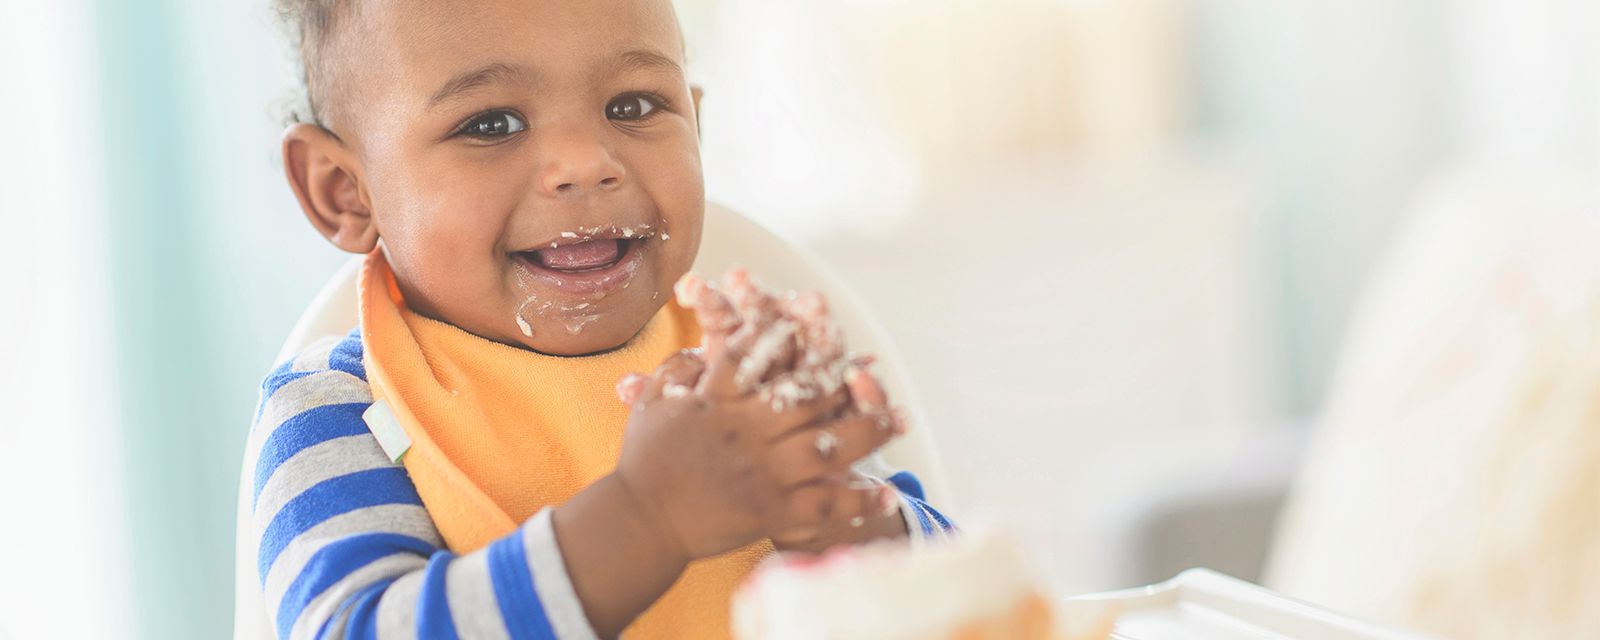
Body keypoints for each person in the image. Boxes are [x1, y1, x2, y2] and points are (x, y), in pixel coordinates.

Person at [246, 1, 953, 638]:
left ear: (696, 126)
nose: (586, 163)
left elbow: (960, 591)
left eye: (634, 105)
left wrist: (850, 526)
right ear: (345, 190)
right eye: (491, 123)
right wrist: (646, 520)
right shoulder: (339, 408)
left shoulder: (739, 365)